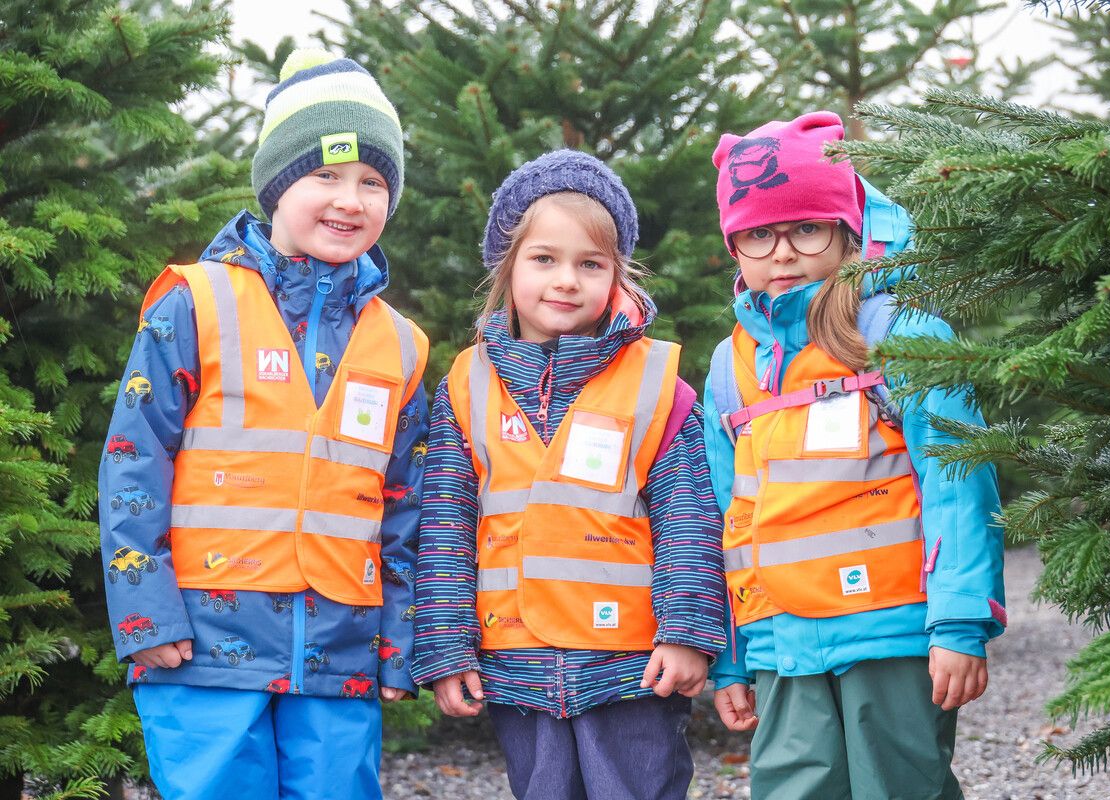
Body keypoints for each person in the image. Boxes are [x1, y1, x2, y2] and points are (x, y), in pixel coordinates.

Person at [98, 49, 429, 800]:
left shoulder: (401, 344)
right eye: (327, 175)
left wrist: (401, 639)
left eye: (373, 182)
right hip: (203, 651)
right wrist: (146, 613)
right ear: (278, 184)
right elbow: (133, 460)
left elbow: (406, 504)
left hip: (339, 658)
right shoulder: (195, 304)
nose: (351, 199)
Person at [703, 111, 1006, 799]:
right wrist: (730, 657)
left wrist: (959, 623)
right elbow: (725, 518)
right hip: (781, 643)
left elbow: (959, 482)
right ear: (734, 247)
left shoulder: (900, 334)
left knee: (901, 786)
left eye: (805, 228)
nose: (782, 253)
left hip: (892, 633)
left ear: (846, 231)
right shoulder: (729, 367)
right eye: (757, 234)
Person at [410, 150, 727, 800]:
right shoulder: (467, 387)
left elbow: (689, 521)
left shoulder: (655, 385)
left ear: (617, 274)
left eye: (591, 263)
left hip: (633, 667)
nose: (566, 280)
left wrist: (688, 634)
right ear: (508, 265)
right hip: (516, 664)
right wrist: (446, 650)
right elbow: (445, 528)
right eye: (544, 259)